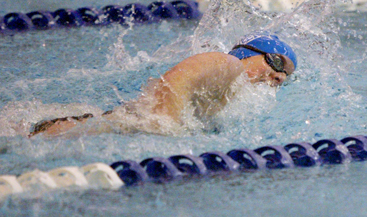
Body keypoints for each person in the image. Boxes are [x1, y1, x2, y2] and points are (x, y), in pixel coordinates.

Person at [28, 34, 297, 138]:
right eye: (275, 62)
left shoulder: (234, 96)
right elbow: (181, 75)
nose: (279, 76)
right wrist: (165, 121)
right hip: (96, 127)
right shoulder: (229, 65)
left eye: (285, 75)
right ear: (247, 52)